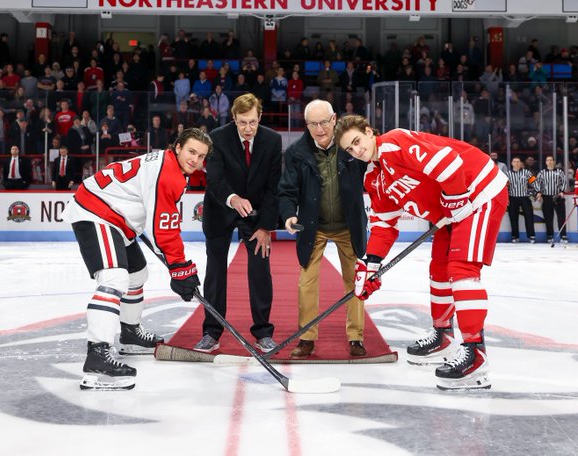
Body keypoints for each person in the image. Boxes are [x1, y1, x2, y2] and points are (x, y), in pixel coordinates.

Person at [335, 116, 507, 390]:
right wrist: (369, 265)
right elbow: (384, 227)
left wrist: (457, 198)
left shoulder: (395, 142)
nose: (356, 151)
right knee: (439, 269)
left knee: (462, 270)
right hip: (453, 211)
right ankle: (444, 335)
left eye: (357, 141)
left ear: (369, 132)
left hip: (479, 193)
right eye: (349, 149)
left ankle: (476, 354)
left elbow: (448, 163)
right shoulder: (374, 177)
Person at [61, 128, 212, 390]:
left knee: (137, 274)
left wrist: (179, 267)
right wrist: (180, 268)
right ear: (177, 147)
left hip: (117, 218)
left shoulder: (169, 165)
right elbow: (162, 229)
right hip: (97, 212)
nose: (195, 160)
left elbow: (158, 222)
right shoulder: (168, 173)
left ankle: (130, 334)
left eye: (201, 156)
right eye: (191, 152)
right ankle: (98, 354)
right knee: (114, 277)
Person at [279, 100, 368, 359]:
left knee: (355, 281)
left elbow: (374, 169)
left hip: (348, 226)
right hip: (313, 227)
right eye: (313, 124)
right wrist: (287, 215)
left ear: (334, 119)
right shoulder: (296, 152)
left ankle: (356, 338)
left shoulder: (350, 147)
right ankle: (306, 337)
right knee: (306, 283)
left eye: (324, 122)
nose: (320, 129)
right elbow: (286, 190)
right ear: (306, 125)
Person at [195, 94, 281, 353]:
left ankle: (263, 331)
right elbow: (216, 179)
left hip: (255, 214)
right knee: (215, 272)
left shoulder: (272, 140)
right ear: (233, 118)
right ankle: (212, 331)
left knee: (260, 269)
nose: (247, 128)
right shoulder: (217, 137)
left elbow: (273, 186)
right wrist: (233, 199)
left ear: (260, 116)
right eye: (242, 122)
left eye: (252, 122)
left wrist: (265, 227)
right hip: (221, 209)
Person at [535, 156, 568, 243]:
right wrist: (538, 192)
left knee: (561, 217)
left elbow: (564, 182)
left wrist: (562, 191)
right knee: (548, 218)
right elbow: (537, 183)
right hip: (546, 197)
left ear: (553, 162)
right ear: (546, 162)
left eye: (551, 160)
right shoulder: (542, 173)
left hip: (557, 197)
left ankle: (563, 235)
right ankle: (550, 235)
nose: (549, 162)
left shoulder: (559, 171)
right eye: (547, 160)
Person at [506, 157, 536, 243]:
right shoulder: (507, 174)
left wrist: (538, 191)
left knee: (529, 216)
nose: (516, 163)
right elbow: (504, 187)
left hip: (524, 197)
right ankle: (515, 236)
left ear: (520, 163)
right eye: (514, 161)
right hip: (512, 197)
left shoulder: (527, 172)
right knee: (513, 217)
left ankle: (531, 235)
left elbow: (534, 182)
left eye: (518, 161)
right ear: (512, 163)